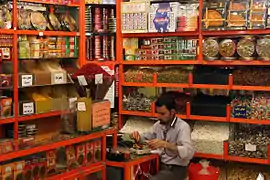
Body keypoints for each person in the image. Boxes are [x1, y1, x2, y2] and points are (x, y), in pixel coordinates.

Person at [130, 92, 195, 180]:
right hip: (160, 166)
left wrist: (166, 144)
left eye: (162, 114)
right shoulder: (158, 125)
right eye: (158, 113)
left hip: (176, 169)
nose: (159, 117)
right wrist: (136, 136)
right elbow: (145, 137)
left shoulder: (182, 127)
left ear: (172, 112)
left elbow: (189, 152)